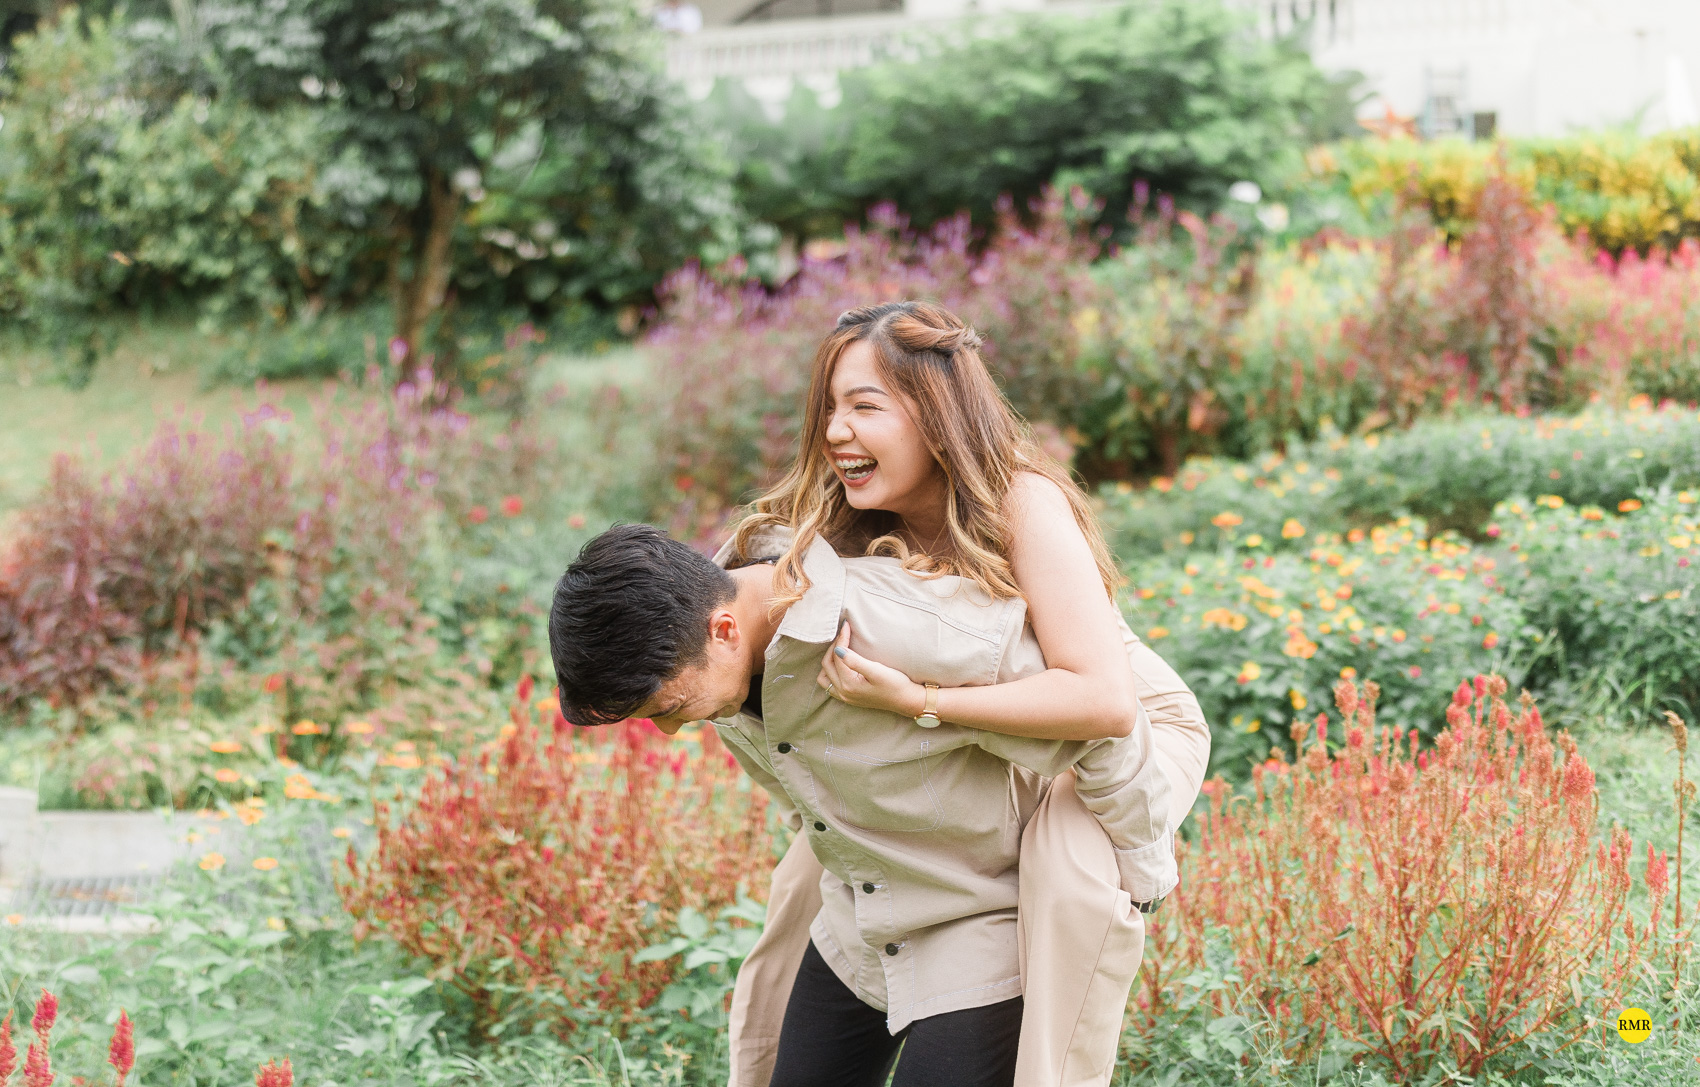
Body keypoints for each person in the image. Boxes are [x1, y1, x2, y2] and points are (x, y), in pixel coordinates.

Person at [722, 300, 1210, 1086]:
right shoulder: (851, 519)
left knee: (1061, 874)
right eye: (829, 409)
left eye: (864, 406)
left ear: (936, 413)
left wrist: (921, 702)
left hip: (1127, 720)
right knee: (820, 882)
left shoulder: (1021, 501)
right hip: (998, 721)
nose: (836, 431)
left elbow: (1102, 703)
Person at [551, 522, 1176, 1087]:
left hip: (980, 920)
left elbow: (1105, 729)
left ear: (724, 630)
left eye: (668, 709)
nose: (669, 730)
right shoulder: (716, 660)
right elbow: (796, 792)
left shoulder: (905, 626)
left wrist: (1141, 872)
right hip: (859, 922)